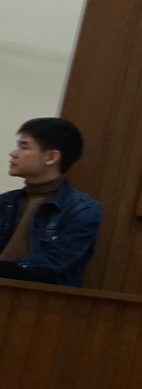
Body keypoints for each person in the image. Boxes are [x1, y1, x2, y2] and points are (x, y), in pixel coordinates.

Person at [0, 118, 102, 286]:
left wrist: (8, 270)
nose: (13, 153)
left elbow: (54, 264)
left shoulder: (82, 209)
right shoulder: (6, 201)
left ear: (51, 157)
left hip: (42, 298)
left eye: (24, 147)